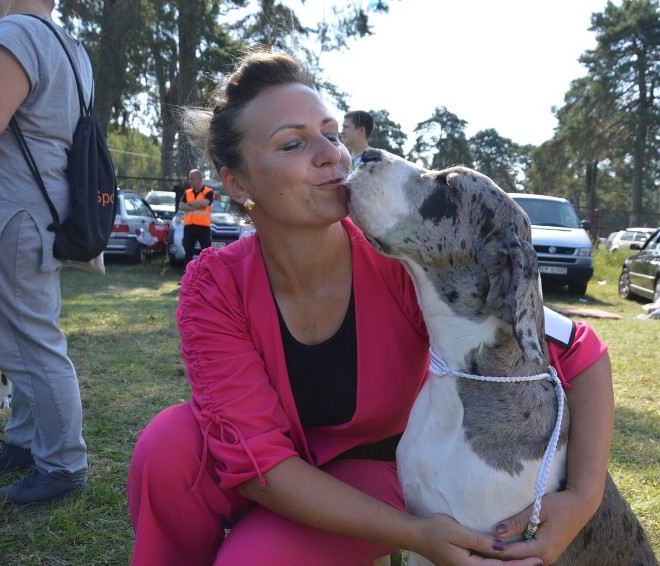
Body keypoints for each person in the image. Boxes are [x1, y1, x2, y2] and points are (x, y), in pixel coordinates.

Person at [127, 51, 615, 565]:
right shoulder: (215, 286)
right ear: (238, 184)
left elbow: (581, 352)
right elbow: (259, 463)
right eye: (293, 143)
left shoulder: (401, 259)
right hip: (274, 467)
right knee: (169, 446)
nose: (332, 156)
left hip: (387, 471)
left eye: (332, 135)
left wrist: (583, 497)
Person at [0, 0, 89, 504]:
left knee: (28, 342)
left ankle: (63, 463)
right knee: (25, 331)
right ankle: (27, 441)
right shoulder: (71, 48)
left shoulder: (14, 33)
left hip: (14, 211)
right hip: (44, 208)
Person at [178, 168, 215, 268]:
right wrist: (197, 204)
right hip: (189, 227)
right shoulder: (187, 192)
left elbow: (205, 203)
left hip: (203, 227)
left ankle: (209, 274)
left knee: (207, 253)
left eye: (192, 178)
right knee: (188, 252)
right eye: (190, 178)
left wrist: (189, 205)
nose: (190, 181)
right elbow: (181, 206)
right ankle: (186, 276)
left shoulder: (208, 192)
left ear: (199, 179)